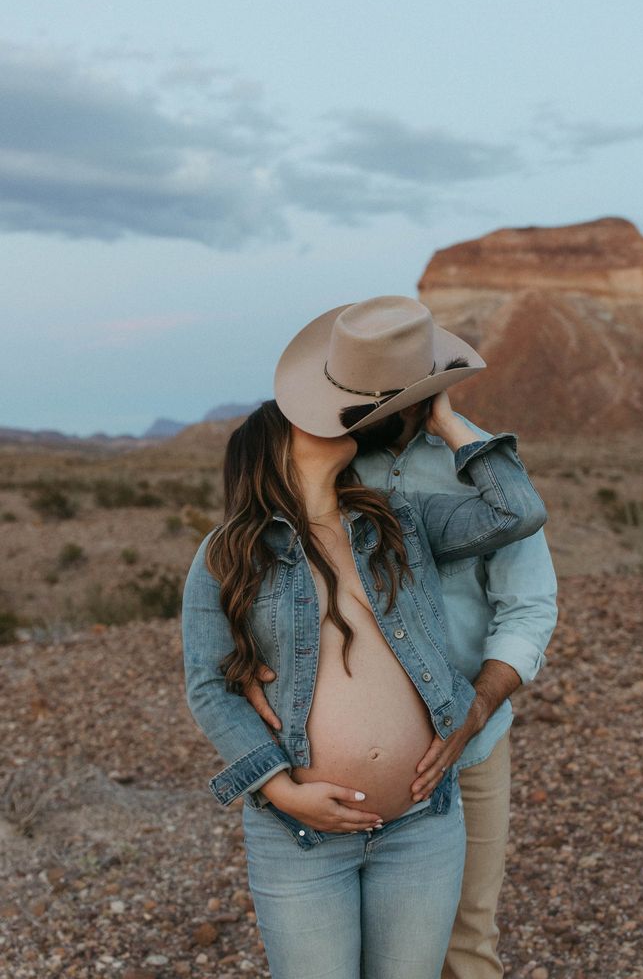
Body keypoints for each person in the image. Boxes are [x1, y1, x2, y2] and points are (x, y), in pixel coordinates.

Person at [181, 295, 548, 979]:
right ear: (275, 448)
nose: (331, 419)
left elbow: (516, 512)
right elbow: (209, 680)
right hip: (301, 830)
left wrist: (446, 415)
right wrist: (278, 786)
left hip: (427, 807)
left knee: (454, 952)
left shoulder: (396, 520)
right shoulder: (230, 552)